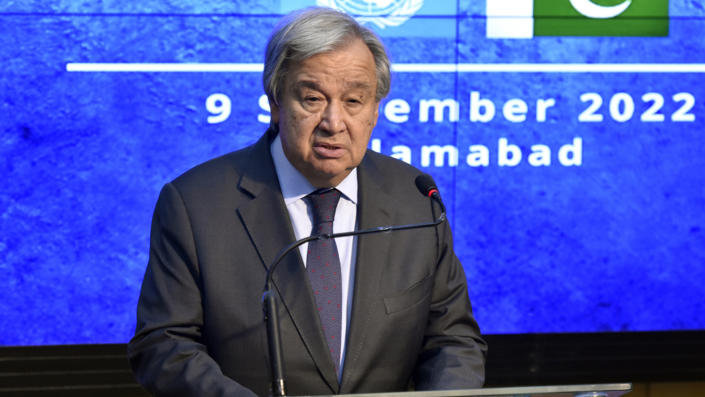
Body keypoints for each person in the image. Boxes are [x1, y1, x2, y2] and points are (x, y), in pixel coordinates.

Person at [127, 7, 487, 397]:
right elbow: (165, 346)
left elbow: (452, 341)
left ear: (375, 110)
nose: (334, 122)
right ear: (276, 103)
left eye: (354, 101)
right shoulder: (195, 204)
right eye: (313, 99)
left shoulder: (415, 198)